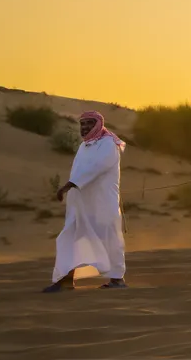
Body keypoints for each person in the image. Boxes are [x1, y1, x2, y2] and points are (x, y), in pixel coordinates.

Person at [43, 111, 127, 292]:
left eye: (89, 123)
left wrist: (69, 185)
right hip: (80, 204)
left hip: (102, 203)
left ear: (99, 124)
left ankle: (117, 279)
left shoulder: (109, 143)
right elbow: (80, 171)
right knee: (70, 236)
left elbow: (96, 168)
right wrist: (72, 188)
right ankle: (65, 279)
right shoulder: (85, 146)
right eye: (82, 124)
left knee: (109, 240)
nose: (85, 127)